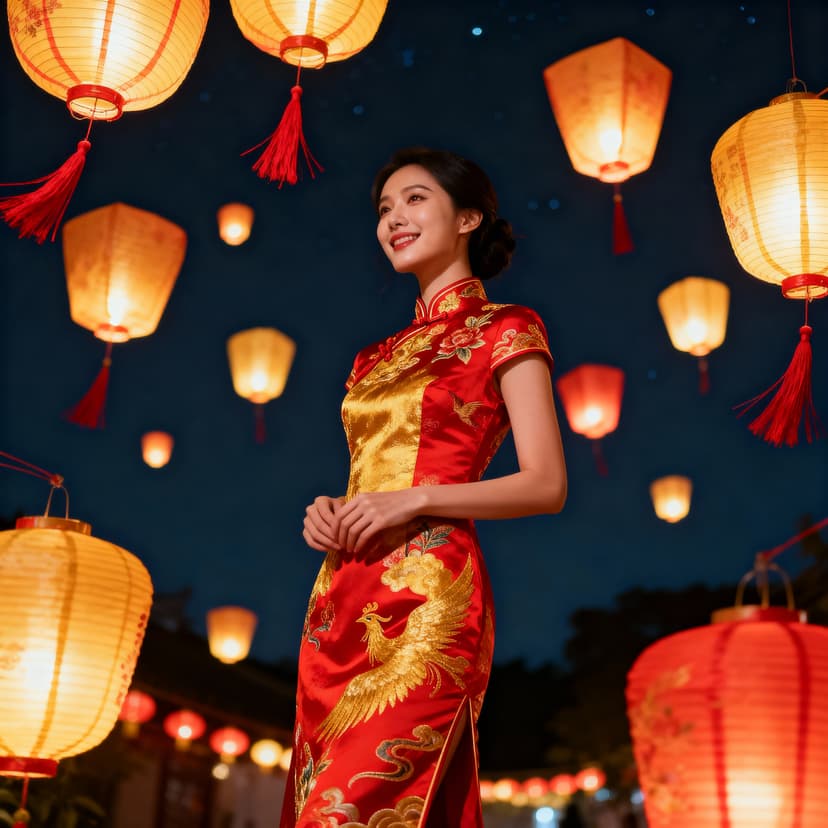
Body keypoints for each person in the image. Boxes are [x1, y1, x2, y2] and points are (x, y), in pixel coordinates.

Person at [281, 147, 567, 828]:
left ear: (468, 217)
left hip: (428, 594)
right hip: (340, 596)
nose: (392, 219)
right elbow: (368, 475)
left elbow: (546, 483)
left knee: (355, 808)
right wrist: (327, 511)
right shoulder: (371, 358)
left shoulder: (505, 328)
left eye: (414, 199)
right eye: (383, 208)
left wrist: (417, 498)